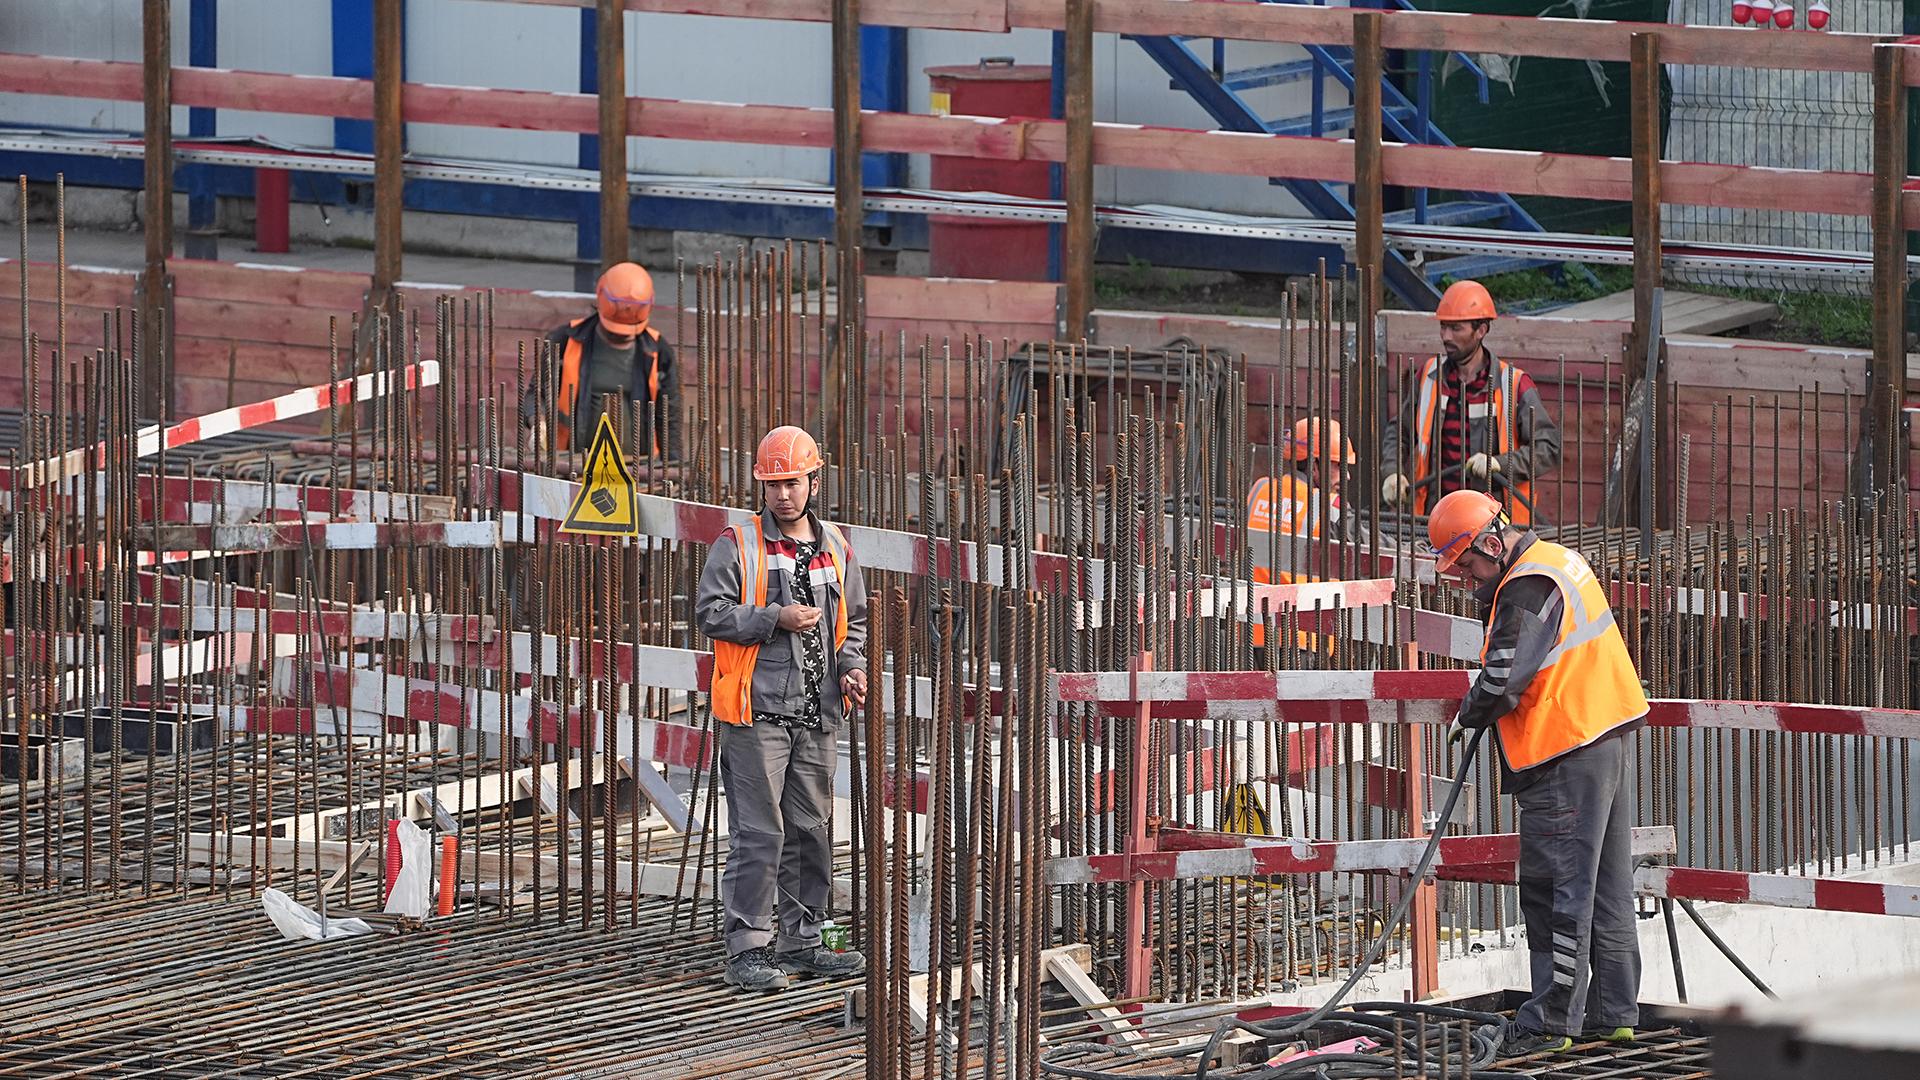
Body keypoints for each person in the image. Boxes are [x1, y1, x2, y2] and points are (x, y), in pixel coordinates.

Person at [1427, 489, 1647, 1055]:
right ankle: (1612, 1013)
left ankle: (1552, 1020)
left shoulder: (1528, 586)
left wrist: (1468, 714)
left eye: (1470, 565)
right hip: (1600, 736)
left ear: (1492, 544)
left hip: (1562, 749)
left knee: (1556, 891)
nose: (1468, 580)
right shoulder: (1557, 561)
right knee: (1605, 888)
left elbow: (1503, 677)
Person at [696, 425, 869, 992]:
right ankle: (748, 949)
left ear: (814, 481)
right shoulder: (738, 544)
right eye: (772, 485)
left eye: (791, 483)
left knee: (811, 831)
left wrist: (851, 668)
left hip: (818, 712)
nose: (782, 495)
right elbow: (711, 613)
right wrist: (774, 618)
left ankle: (805, 941)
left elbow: (853, 625)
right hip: (755, 714)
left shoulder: (837, 546)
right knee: (760, 834)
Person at [1381, 280, 1561, 526]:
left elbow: (1549, 447)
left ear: (1481, 330)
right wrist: (1392, 471)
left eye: (1456, 329)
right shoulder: (1428, 377)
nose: (1446, 336)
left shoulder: (1514, 384)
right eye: (1444, 327)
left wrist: (1500, 463)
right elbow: (1399, 430)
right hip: (1436, 516)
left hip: (1495, 522)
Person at [521, 261, 680, 462]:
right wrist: (539, 423)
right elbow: (536, 395)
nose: (621, 336)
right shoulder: (565, 341)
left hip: (636, 468)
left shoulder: (658, 351)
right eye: (615, 331)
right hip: (573, 463)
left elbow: (670, 416)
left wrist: (673, 463)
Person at [1246, 417, 1352, 654]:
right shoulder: (1328, 505)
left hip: (1253, 637)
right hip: (1304, 640)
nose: (1345, 477)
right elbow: (1371, 551)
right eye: (1338, 466)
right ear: (1315, 465)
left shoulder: (1259, 490)